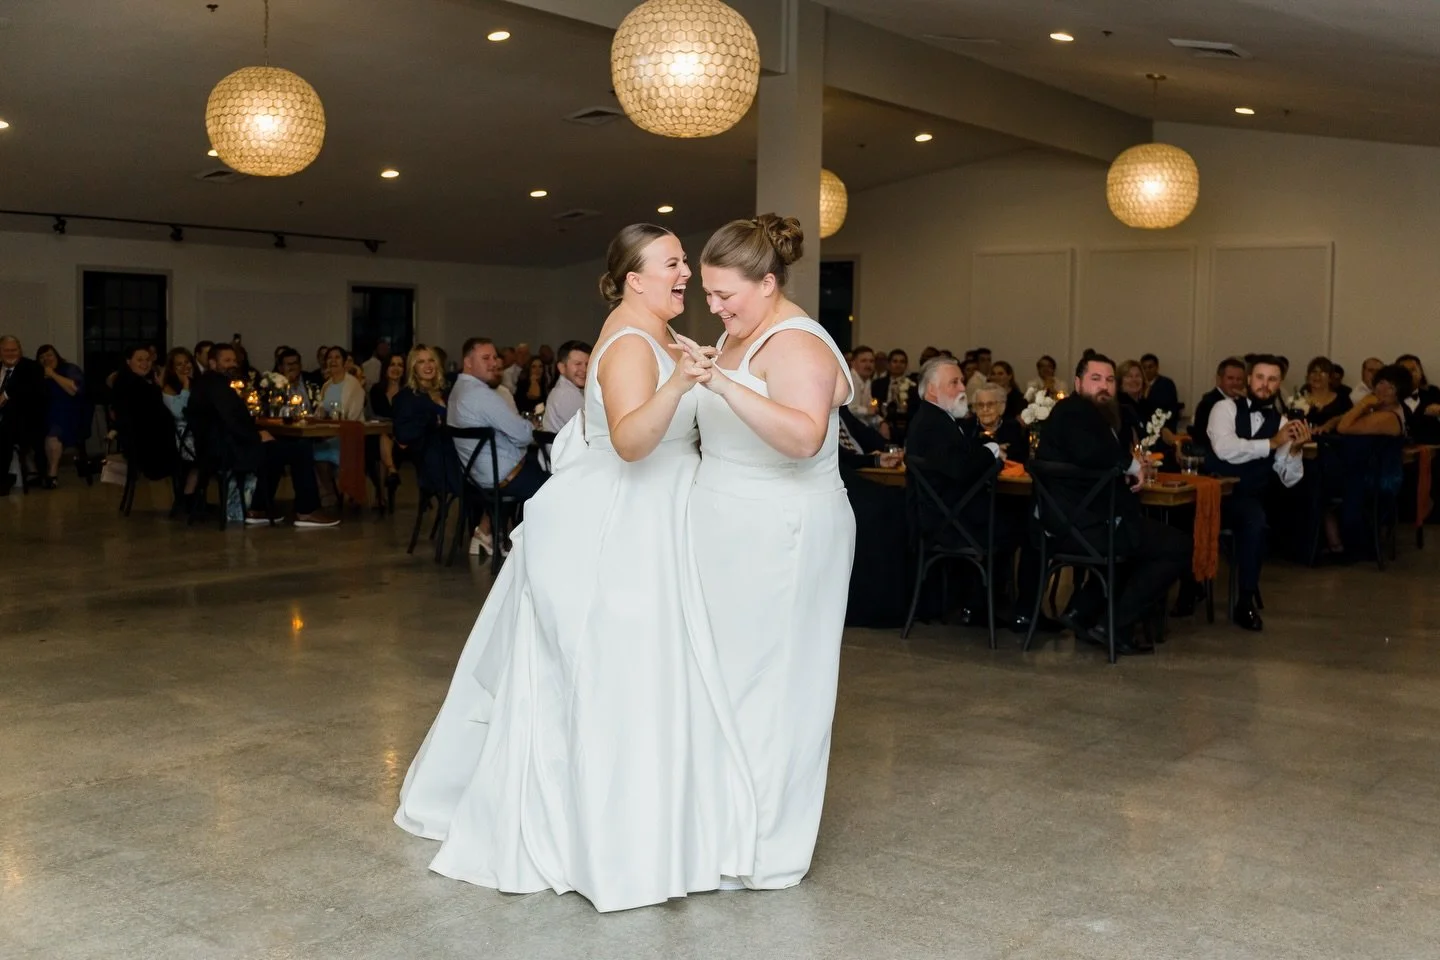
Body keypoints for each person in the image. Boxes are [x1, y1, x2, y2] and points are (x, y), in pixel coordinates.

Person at [395, 223, 745, 914]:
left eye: (683, 262)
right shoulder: (629, 343)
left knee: (645, 673)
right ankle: (608, 838)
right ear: (634, 279)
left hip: (655, 517)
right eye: (672, 263)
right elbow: (632, 441)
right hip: (625, 523)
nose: (685, 272)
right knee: (619, 676)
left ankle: (656, 826)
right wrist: (681, 382)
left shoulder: (660, 334)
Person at [683, 212, 855, 892]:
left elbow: (805, 437)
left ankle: (764, 848)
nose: (714, 306)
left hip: (784, 533)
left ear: (768, 283)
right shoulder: (738, 334)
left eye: (725, 293)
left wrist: (722, 384)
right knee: (730, 682)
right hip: (731, 531)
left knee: (775, 687)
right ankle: (722, 834)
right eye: (708, 292)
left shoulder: (797, 344)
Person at [1034, 352, 1192, 655]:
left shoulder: (1096, 415)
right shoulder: (1073, 410)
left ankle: (1082, 611)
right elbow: (1089, 453)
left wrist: (1127, 467)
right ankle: (1115, 625)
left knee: (1138, 539)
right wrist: (1130, 465)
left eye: (1109, 380)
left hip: (1075, 525)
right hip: (1084, 528)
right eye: (1095, 379)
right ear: (1078, 383)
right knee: (1178, 545)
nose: (1104, 386)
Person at [906, 361, 1041, 632]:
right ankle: (1023, 612)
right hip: (951, 524)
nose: (962, 388)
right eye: (954, 383)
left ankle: (983, 603)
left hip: (946, 518)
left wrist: (985, 450)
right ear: (932, 390)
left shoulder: (935, 419)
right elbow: (960, 468)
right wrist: (990, 452)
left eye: (961, 381)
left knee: (1011, 517)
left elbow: (958, 458)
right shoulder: (934, 424)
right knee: (1032, 527)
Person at [1204, 354, 1310, 630]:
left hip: (1249, 498)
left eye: (1272, 379)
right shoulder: (1224, 408)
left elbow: (1289, 477)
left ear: (1279, 383)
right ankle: (1189, 590)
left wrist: (1295, 450)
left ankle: (1245, 600)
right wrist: (1271, 443)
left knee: (1256, 521)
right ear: (1249, 379)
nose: (1265, 384)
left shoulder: (1282, 422)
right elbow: (1225, 449)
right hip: (1212, 496)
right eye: (1260, 377)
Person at [187, 344, 338, 527]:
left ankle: (259, 508)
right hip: (228, 452)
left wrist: (257, 433)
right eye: (227, 361)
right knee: (299, 448)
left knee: (277, 448)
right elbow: (230, 422)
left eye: (234, 360)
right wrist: (256, 436)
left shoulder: (208, 384)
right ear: (212, 363)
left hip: (218, 449)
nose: (233, 364)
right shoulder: (216, 386)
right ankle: (307, 511)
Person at [447, 338, 549, 556]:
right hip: (502, 476)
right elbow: (523, 435)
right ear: (468, 362)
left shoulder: (457, 390)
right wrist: (528, 426)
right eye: (485, 358)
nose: (494, 363)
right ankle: (537, 551)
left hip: (475, 476)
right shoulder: (481, 395)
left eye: (494, 357)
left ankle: (486, 533)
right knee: (559, 484)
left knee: (533, 464)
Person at [392, 345, 454, 495]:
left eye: (431, 360)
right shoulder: (406, 397)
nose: (428, 365)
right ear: (413, 367)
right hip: (431, 458)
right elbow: (403, 435)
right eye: (421, 362)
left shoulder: (447, 390)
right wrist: (432, 420)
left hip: (456, 450)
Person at [110, 344, 178, 484]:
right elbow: (152, 413)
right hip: (145, 444)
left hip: (144, 439)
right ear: (128, 361)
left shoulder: (139, 380)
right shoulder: (131, 383)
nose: (145, 364)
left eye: (147, 360)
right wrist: (160, 387)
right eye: (139, 360)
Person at [35, 345, 87, 489]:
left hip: (69, 416)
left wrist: (52, 375)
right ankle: (40, 473)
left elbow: (74, 390)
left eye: (49, 355)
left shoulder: (69, 369)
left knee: (53, 436)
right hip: (45, 415)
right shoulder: (38, 374)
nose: (46, 359)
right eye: (42, 357)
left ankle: (52, 474)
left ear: (56, 355)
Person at [0, 336, 45, 493]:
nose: (10, 354)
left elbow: (28, 394)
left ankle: (3, 479)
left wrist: (5, 395)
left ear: (20, 350)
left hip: (23, 421)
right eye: (6, 350)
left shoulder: (31, 368)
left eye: (14, 350)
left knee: (4, 432)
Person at [160, 347, 199, 507]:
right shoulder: (168, 388)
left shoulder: (200, 383)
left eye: (187, 362)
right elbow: (179, 412)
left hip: (198, 431)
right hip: (182, 437)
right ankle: (188, 497)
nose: (185, 367)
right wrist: (186, 387)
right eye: (179, 364)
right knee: (208, 452)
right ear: (172, 368)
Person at [371, 353, 407, 506]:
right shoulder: (376, 390)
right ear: (385, 368)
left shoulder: (408, 391)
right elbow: (379, 413)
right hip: (381, 433)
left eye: (400, 365)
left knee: (385, 440)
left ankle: (381, 495)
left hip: (403, 438)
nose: (396, 368)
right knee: (382, 438)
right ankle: (391, 473)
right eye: (392, 364)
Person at [1189, 358, 1247, 454]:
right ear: (1219, 379)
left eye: (1239, 379)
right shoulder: (1208, 403)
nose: (1235, 383)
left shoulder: (1245, 401)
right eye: (1230, 378)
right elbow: (1202, 439)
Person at [971, 380, 1030, 465]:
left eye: (990, 404)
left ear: (1002, 407)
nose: (985, 409)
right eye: (980, 405)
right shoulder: (967, 428)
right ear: (975, 408)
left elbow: (1021, 458)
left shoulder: (1014, 427)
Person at [541, 339, 590, 432]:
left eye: (587, 364)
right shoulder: (566, 394)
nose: (585, 369)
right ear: (562, 368)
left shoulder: (569, 389)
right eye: (578, 364)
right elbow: (590, 431)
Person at [1296, 357, 1352, 433]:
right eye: (1314, 371)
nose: (1317, 375)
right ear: (1308, 376)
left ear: (1330, 378)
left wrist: (1333, 422)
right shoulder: (1298, 399)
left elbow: (1351, 418)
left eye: (1323, 372)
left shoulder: (1343, 400)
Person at [1396, 354, 1440, 442]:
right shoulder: (1392, 397)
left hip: (1434, 446)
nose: (1409, 374)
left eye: (1413, 370)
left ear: (1421, 373)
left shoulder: (1433, 392)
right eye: (1404, 371)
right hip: (1403, 448)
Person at [846, 345, 877, 421]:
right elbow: (849, 409)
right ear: (853, 363)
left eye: (871, 361)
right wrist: (867, 410)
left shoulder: (867, 381)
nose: (868, 365)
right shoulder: (850, 381)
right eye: (863, 361)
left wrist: (881, 422)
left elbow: (870, 408)